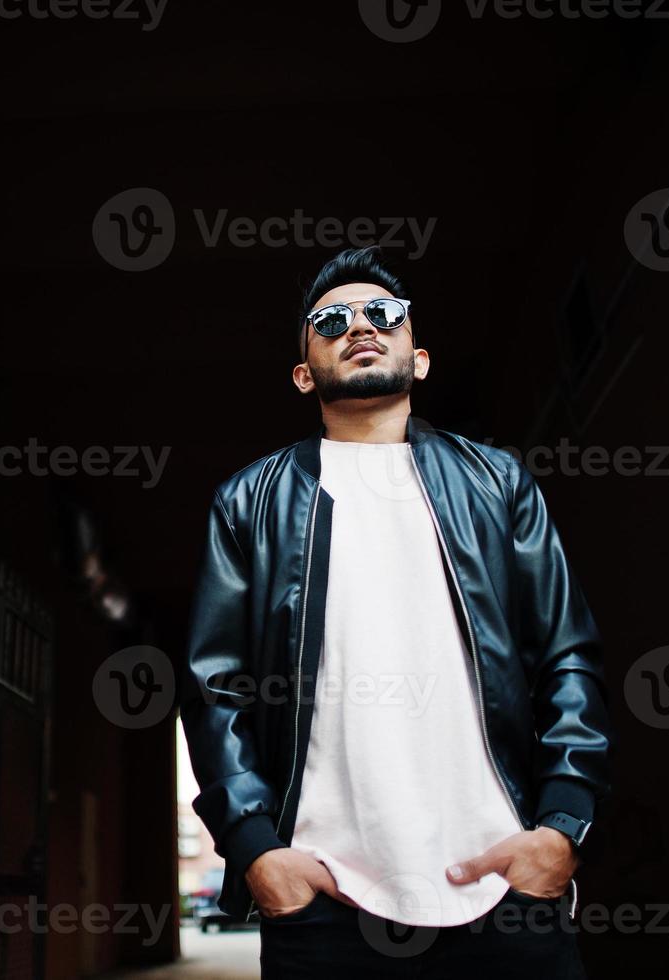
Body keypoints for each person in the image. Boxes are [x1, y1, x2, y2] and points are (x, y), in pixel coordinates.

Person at [178, 246, 613, 977]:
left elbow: (566, 655)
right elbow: (213, 685)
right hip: (323, 900)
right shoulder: (249, 503)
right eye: (330, 320)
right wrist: (255, 849)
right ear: (302, 370)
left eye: (382, 314)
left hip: (503, 887)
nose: (359, 326)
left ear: (418, 359)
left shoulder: (497, 482)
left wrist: (561, 827)